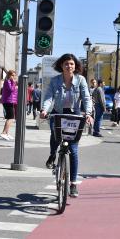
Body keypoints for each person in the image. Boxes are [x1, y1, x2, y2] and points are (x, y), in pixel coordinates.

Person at [40, 53, 93, 198]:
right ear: (61, 66)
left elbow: (86, 97)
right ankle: (52, 155)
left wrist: (88, 113)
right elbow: (49, 97)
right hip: (58, 112)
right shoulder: (55, 81)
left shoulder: (80, 80)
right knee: (55, 136)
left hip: (74, 115)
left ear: (75, 66)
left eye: (71, 64)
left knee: (74, 149)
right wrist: (44, 110)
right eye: (66, 64)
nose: (69, 66)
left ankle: (73, 183)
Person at [0, 70, 18, 140]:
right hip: (7, 101)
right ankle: (3, 133)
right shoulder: (8, 81)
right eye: (12, 75)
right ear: (9, 75)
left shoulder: (10, 82)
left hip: (10, 101)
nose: (13, 77)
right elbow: (11, 90)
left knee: (10, 118)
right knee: (10, 118)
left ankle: (6, 133)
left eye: (14, 75)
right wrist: (14, 83)